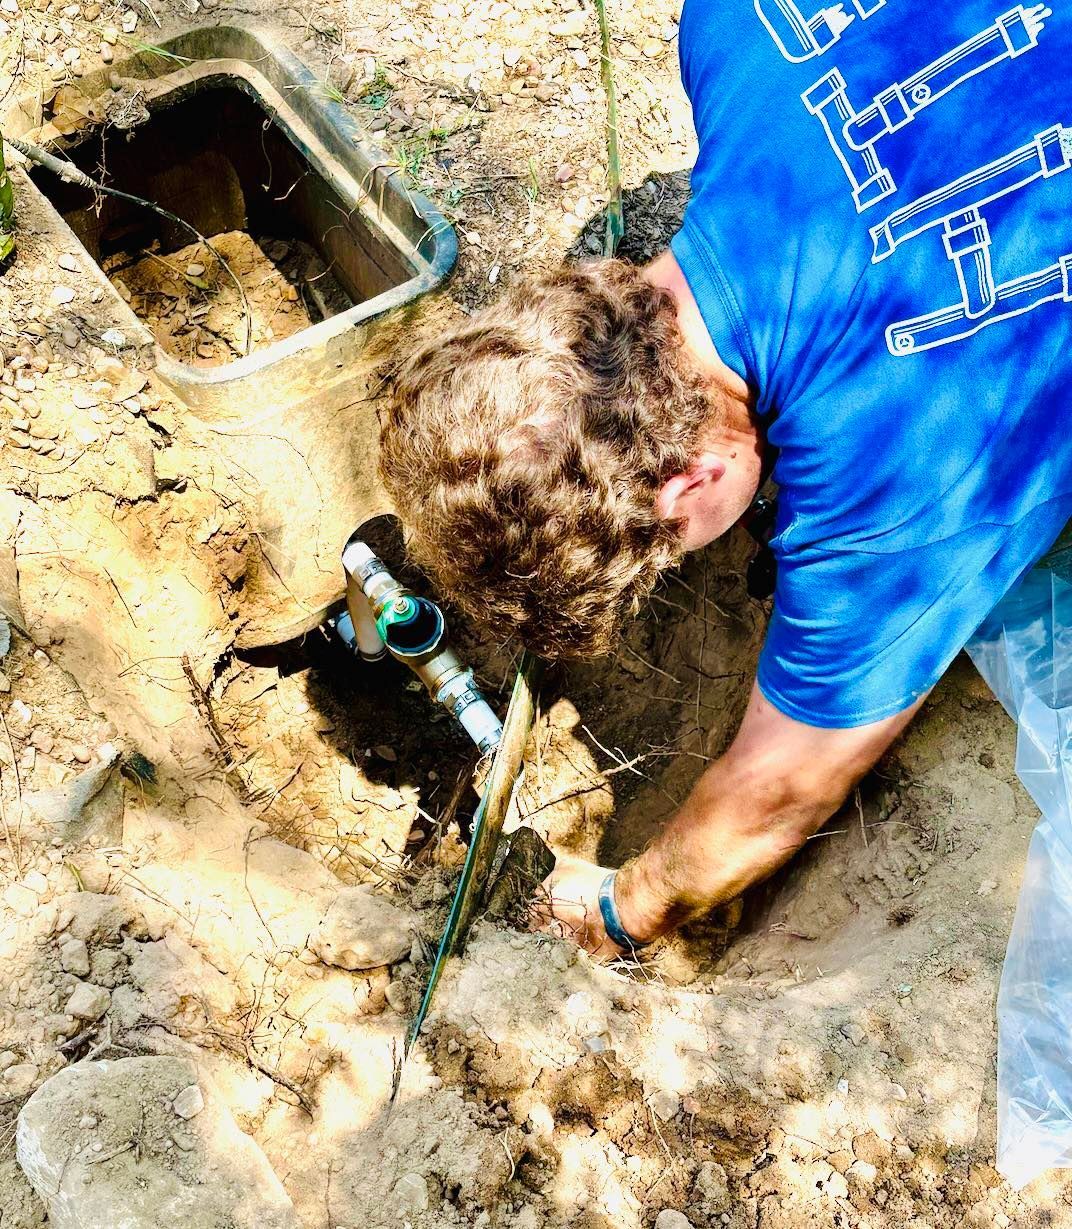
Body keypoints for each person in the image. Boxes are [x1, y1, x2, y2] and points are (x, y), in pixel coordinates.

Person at [378, 0, 1072, 956]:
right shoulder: (731, 27)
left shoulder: (906, 470)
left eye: (671, 549)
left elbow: (782, 786)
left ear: (690, 482)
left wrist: (629, 904)